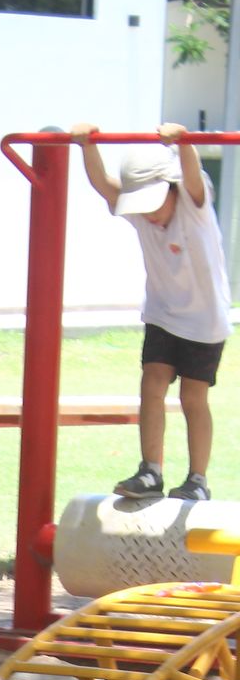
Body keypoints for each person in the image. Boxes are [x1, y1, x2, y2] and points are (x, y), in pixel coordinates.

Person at [72, 122, 231, 503]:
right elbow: (103, 185)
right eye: (140, 206)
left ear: (172, 189)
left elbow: (191, 175)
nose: (149, 215)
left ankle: (197, 480)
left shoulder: (194, 208)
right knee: (152, 383)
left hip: (205, 320)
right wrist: (87, 145)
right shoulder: (142, 215)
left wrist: (184, 142)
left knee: (193, 397)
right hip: (163, 313)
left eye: (153, 203)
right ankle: (150, 471)